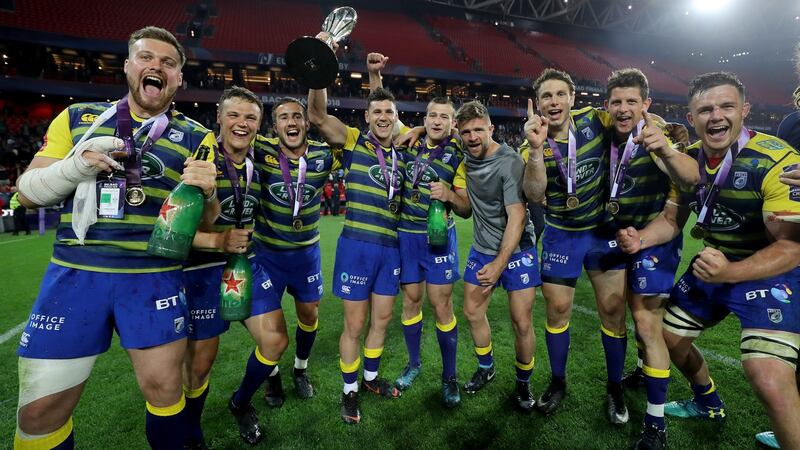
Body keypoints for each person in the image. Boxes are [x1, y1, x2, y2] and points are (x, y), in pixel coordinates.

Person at [13, 26, 219, 449]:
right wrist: (76, 166)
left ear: (179, 78)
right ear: (127, 66)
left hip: (153, 278)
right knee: (38, 414)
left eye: (168, 62)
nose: (156, 66)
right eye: (146, 57)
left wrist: (211, 193)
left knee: (166, 391)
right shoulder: (78, 117)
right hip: (74, 274)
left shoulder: (198, 136)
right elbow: (28, 192)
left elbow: (208, 222)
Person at [618, 72, 800, 450]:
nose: (716, 116)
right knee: (669, 340)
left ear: (744, 110)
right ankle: (707, 401)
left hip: (769, 271)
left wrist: (731, 271)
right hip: (713, 265)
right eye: (705, 110)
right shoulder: (686, 160)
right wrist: (641, 239)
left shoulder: (777, 159)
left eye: (726, 106)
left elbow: (792, 247)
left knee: (768, 377)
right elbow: (672, 220)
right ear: (691, 117)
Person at [521, 68, 629, 423]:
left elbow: (631, 116)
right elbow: (534, 194)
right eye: (546, 96)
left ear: (571, 97)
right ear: (538, 104)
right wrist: (536, 150)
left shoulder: (595, 120)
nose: (553, 102)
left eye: (559, 94)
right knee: (557, 311)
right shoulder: (530, 142)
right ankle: (558, 382)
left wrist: (660, 124)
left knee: (613, 311)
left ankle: (615, 387)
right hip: (561, 234)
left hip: (601, 231)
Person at [308, 42, 406, 424]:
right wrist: (320, 66)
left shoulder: (403, 151)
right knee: (354, 324)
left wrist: (376, 76)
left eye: (389, 112)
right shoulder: (352, 140)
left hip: (390, 248)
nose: (383, 117)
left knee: (382, 321)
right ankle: (349, 391)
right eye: (376, 112)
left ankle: (369, 378)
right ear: (366, 116)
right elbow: (317, 116)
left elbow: (391, 109)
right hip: (356, 247)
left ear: (396, 117)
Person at [602, 68, 699, 449]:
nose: (623, 109)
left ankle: (655, 424)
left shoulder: (661, 140)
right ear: (607, 106)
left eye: (632, 101)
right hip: (616, 237)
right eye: (616, 102)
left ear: (647, 104)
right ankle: (644, 371)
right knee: (619, 311)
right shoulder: (604, 136)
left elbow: (690, 180)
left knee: (645, 322)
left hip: (655, 241)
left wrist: (666, 150)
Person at [181, 86, 280, 447]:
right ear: (219, 118)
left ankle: (240, 402)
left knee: (274, 341)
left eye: (250, 117)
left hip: (244, 262)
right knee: (199, 365)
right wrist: (218, 241)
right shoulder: (199, 160)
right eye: (234, 115)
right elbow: (171, 232)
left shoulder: (261, 159)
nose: (242, 123)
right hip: (200, 269)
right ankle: (191, 432)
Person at [366, 53, 464, 407]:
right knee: (410, 302)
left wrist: (450, 195)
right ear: (424, 119)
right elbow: (383, 112)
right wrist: (374, 75)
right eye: (432, 116)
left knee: (442, 304)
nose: (437, 121)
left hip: (438, 237)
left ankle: (449, 376)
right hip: (406, 237)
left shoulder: (460, 151)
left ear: (453, 123)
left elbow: (465, 207)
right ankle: (414, 364)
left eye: (444, 117)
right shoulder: (411, 140)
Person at [441, 100, 539, 412]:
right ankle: (487, 366)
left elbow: (517, 218)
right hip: (483, 248)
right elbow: (466, 210)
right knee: (472, 311)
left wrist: (499, 264)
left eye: (478, 130)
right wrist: (450, 196)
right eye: (466, 132)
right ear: (459, 133)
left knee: (521, 321)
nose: (472, 137)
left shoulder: (509, 162)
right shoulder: (464, 160)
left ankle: (523, 383)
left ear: (491, 129)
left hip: (517, 249)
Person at [249, 96, 340, 408]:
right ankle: (272, 374)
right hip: (268, 254)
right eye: (284, 117)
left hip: (306, 255)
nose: (291, 122)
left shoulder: (324, 154)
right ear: (274, 127)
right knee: (268, 325)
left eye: (297, 116)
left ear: (306, 123)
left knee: (309, 314)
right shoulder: (260, 148)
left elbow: (355, 145)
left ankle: (300, 369)